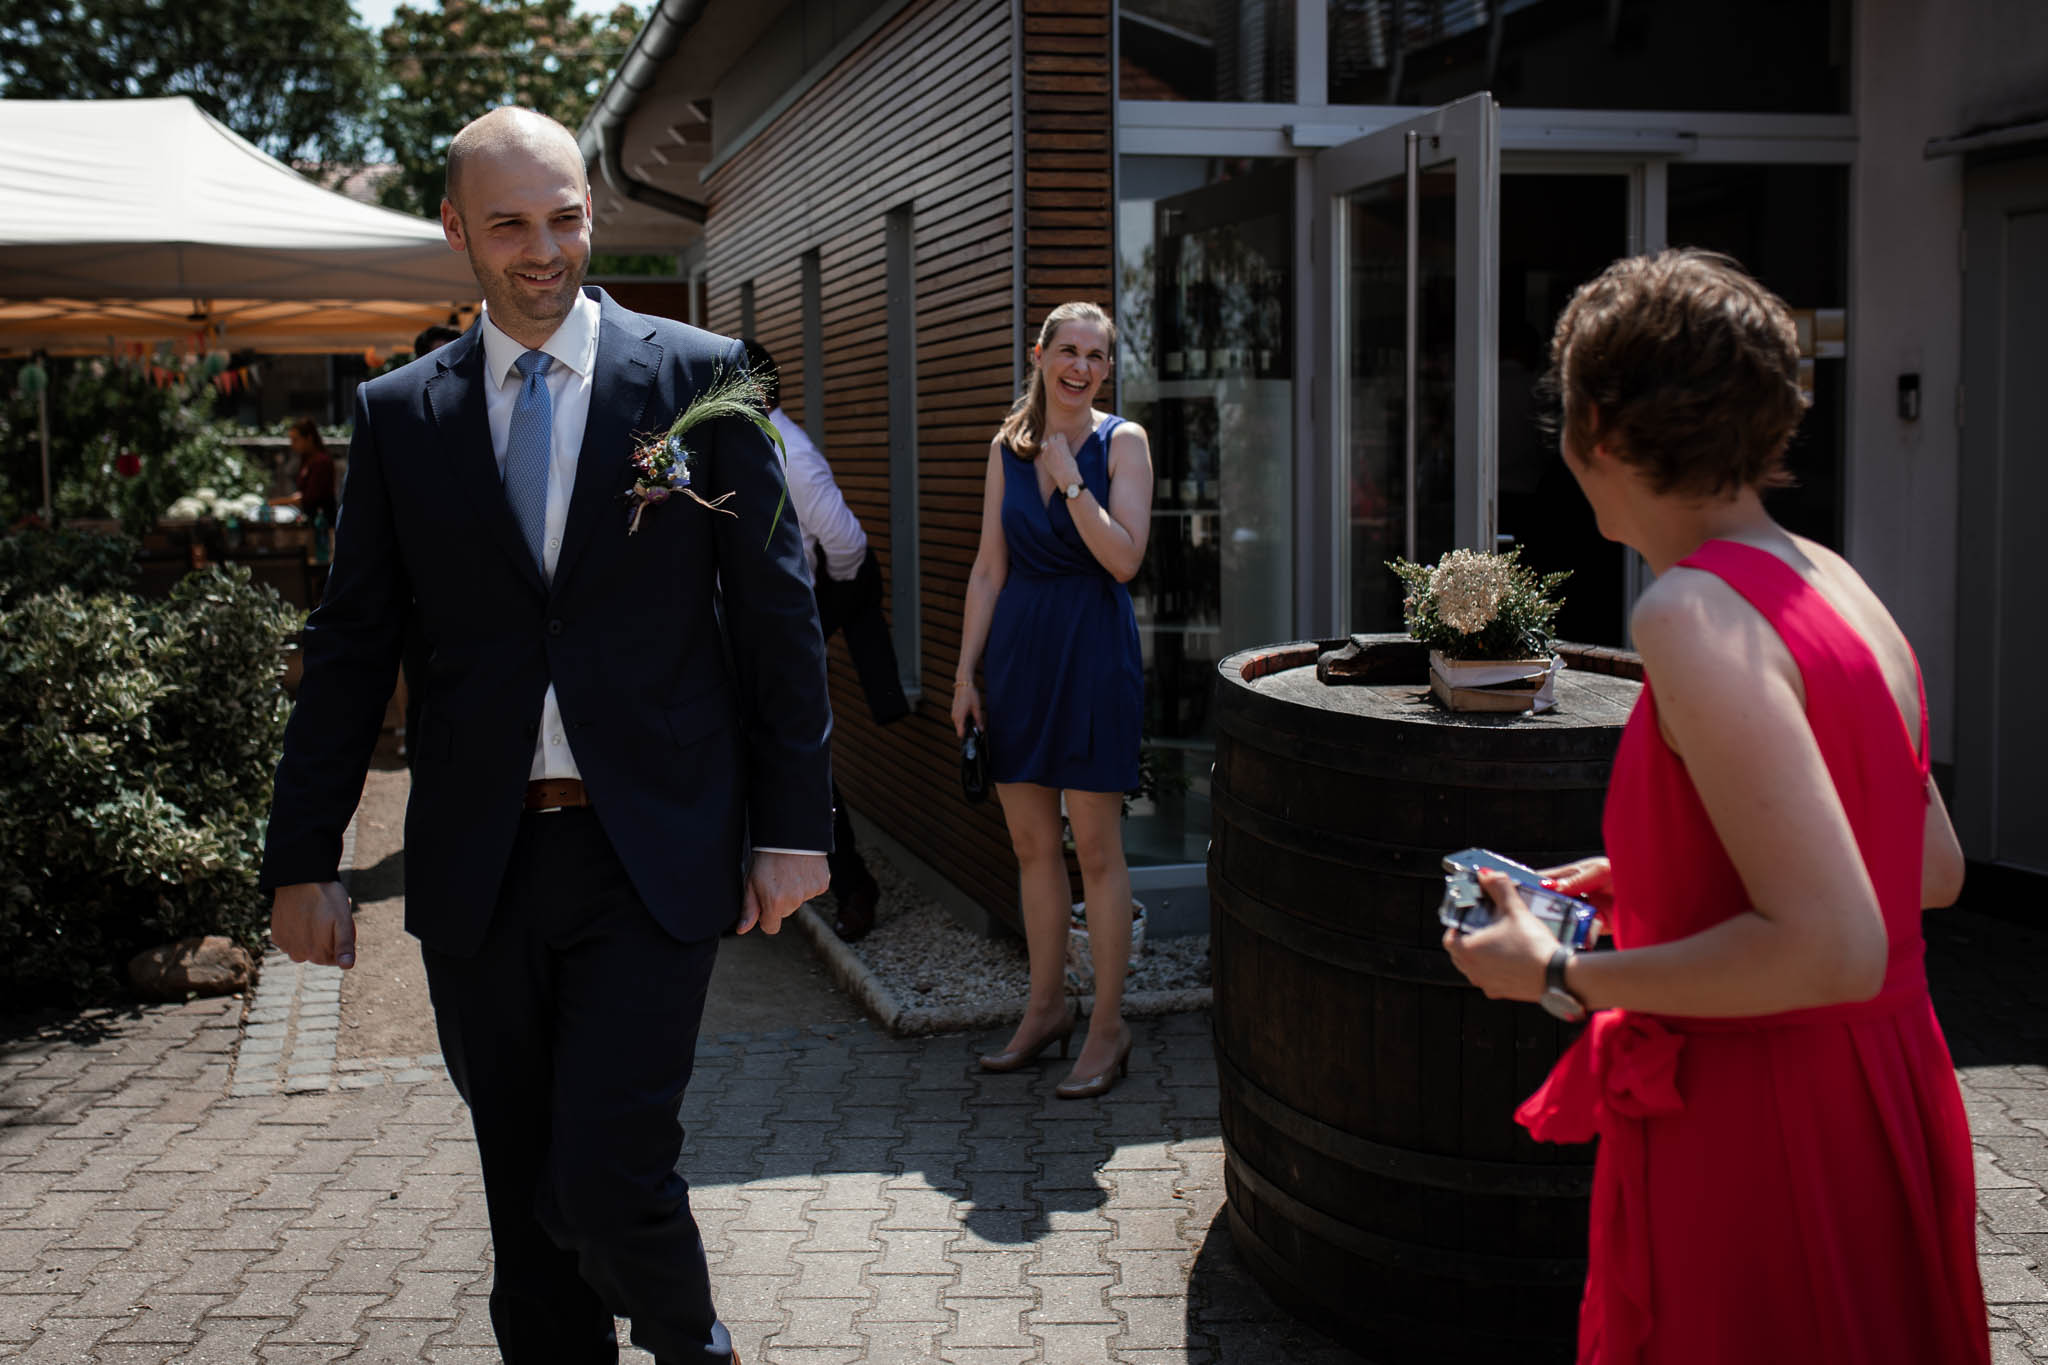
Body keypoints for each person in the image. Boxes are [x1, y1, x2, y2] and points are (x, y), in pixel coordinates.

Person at [261, 106, 831, 1365]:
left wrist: (794, 830)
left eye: (564, 217)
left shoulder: (699, 378)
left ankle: (692, 1345)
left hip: (654, 856)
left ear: (591, 214)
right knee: (527, 1218)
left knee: (605, 1174)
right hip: (479, 867)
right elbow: (353, 646)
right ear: (455, 227)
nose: (542, 249)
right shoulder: (401, 416)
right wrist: (304, 857)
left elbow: (776, 617)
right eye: (508, 222)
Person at [1443, 249, 1988, 1365]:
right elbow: (1925, 870)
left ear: (1594, 425)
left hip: (1765, 1122)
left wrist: (1556, 975)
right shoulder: (1837, 584)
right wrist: (1659, 884)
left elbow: (1831, 942)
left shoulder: (1689, 612)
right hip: (1882, 1097)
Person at [953, 301, 1152, 1099]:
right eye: (1067, 350)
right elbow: (987, 569)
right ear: (1039, 355)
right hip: (1018, 658)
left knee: (1095, 850)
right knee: (1033, 847)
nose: (1081, 366)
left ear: (1107, 367)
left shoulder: (1124, 443)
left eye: (1096, 356)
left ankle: (1108, 1026)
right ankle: (1045, 1010)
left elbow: (1125, 560)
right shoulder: (1007, 445)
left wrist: (1073, 484)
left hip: (1093, 651)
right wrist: (967, 675)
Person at [739, 338, 910, 941]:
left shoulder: (795, 458)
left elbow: (848, 546)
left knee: (795, 760)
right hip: (736, 628)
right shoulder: (742, 443)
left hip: (783, 629)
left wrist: (807, 618)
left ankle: (853, 882)